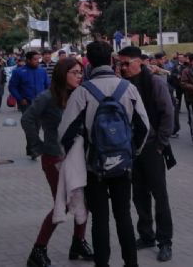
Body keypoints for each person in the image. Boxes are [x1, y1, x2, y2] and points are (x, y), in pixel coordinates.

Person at [57, 41, 150, 267]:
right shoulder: (128, 88)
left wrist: (75, 155)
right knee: (124, 217)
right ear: (112, 60)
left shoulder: (82, 92)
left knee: (100, 219)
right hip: (123, 166)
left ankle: (102, 264)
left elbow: (64, 133)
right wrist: (131, 152)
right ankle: (131, 263)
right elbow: (144, 127)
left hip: (94, 167)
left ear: (88, 62)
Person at [22, 58, 93, 267]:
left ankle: (78, 243)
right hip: (55, 158)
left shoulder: (80, 95)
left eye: (81, 72)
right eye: (74, 72)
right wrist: (38, 145)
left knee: (84, 203)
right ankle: (38, 251)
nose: (79, 76)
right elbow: (27, 119)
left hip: (78, 157)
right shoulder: (47, 97)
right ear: (63, 74)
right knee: (61, 205)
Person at [118, 46, 175, 262]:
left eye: (127, 63)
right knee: (139, 194)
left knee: (160, 196)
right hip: (131, 148)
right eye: (120, 63)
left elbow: (168, 114)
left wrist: (160, 144)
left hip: (152, 147)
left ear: (139, 61)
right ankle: (146, 235)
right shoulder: (122, 85)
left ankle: (165, 241)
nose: (123, 67)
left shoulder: (155, 83)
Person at [9, 51, 51, 158]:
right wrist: (20, 98)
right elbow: (12, 87)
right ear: (28, 60)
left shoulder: (42, 71)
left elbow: (48, 86)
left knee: (37, 126)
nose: (38, 61)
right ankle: (34, 149)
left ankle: (30, 148)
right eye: (35, 59)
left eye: (38, 59)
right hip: (26, 103)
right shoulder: (19, 72)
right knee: (30, 126)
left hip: (41, 103)